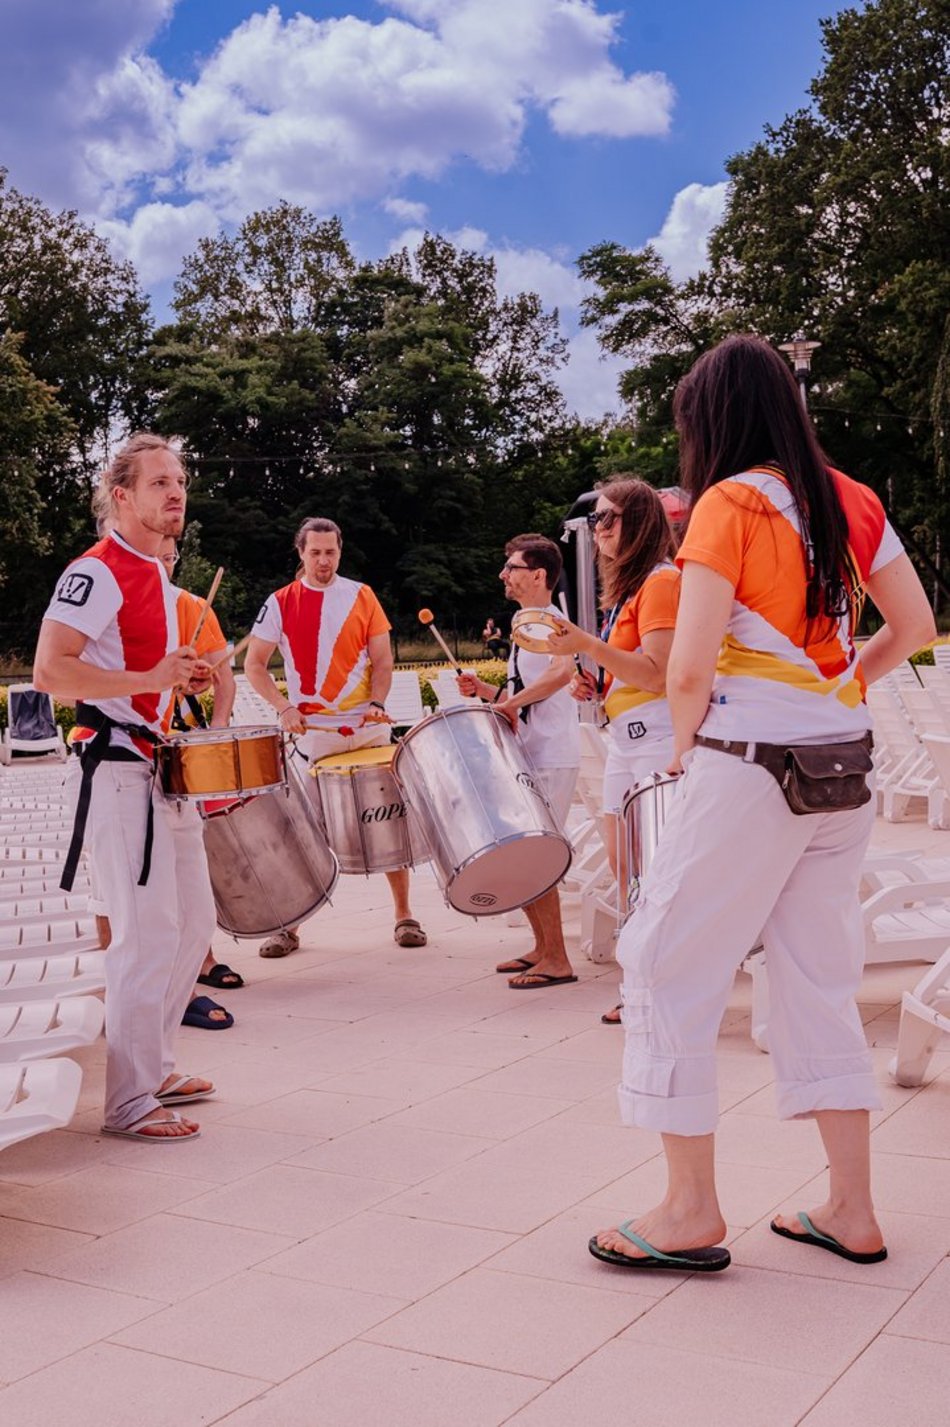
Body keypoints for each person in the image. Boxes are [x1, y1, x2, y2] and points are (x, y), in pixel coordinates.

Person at [588, 334, 936, 1274]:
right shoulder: (852, 496)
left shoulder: (727, 505)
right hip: (841, 770)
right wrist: (839, 689)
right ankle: (851, 1208)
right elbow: (915, 625)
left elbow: (690, 666)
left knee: (662, 955)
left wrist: (691, 749)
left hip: (750, 766)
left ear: (714, 418)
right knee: (817, 975)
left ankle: (689, 1208)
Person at [33, 433, 218, 1141]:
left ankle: (156, 1063)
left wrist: (184, 676)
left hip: (159, 768)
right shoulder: (99, 570)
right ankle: (128, 1101)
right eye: (160, 483)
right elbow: (52, 670)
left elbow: (148, 670)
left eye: (180, 481)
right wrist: (153, 679)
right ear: (122, 496)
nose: (176, 493)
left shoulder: (159, 578)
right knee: (143, 936)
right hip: (114, 771)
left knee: (194, 924)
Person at [244, 516, 428, 955]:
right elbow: (254, 665)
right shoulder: (280, 602)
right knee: (302, 831)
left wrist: (378, 703)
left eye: (330, 552)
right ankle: (288, 925)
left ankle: (404, 915)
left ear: (340, 552)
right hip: (313, 733)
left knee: (389, 819)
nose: (323, 560)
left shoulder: (362, 596)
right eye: (315, 552)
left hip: (366, 729)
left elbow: (382, 660)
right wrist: (284, 708)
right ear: (301, 553)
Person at [550, 480, 679, 1023]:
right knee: (628, 865)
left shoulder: (662, 582)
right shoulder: (632, 589)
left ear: (641, 524)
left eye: (607, 519)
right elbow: (632, 674)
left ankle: (660, 987)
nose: (598, 529)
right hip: (628, 737)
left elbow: (659, 673)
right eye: (596, 519)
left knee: (655, 868)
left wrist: (587, 646)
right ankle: (643, 981)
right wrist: (598, 684)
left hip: (658, 737)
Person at [457, 534, 581, 988]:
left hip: (551, 755)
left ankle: (559, 960)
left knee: (538, 857)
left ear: (538, 575)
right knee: (526, 851)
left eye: (511, 567)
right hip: (531, 752)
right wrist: (489, 694)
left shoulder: (552, 624)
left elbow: (561, 673)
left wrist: (509, 705)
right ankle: (542, 948)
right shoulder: (524, 621)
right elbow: (524, 698)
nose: (503, 575)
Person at [158, 536, 243, 1028]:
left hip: (187, 743)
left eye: (171, 556)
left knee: (193, 857)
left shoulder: (193, 606)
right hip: (139, 743)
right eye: (158, 556)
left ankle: (201, 960)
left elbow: (222, 678)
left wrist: (217, 729)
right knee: (158, 869)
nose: (165, 563)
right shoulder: (123, 601)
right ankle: (177, 978)